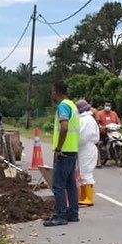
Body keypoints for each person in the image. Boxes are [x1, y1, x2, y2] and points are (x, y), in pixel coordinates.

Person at [44, 81, 81, 227]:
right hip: (73, 150)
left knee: (58, 184)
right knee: (70, 184)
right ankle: (73, 213)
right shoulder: (73, 105)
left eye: (53, 91)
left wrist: (58, 149)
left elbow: (64, 127)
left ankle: (60, 215)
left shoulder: (63, 106)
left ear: (56, 91)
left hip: (64, 151)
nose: (52, 94)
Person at [76, 99, 99, 206]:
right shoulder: (87, 119)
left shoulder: (86, 120)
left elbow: (82, 137)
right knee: (82, 173)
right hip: (85, 148)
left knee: (86, 172)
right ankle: (84, 196)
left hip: (86, 148)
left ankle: (89, 198)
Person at [95, 100, 121, 167]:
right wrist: (100, 127)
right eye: (106, 105)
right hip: (103, 133)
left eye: (109, 105)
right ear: (104, 106)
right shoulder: (100, 113)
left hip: (112, 132)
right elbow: (97, 122)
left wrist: (119, 125)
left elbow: (118, 122)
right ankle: (99, 160)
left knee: (119, 139)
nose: (107, 107)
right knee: (100, 145)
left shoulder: (114, 114)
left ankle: (117, 155)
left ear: (111, 106)